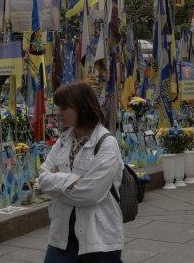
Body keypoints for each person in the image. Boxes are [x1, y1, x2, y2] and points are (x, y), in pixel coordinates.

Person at [39, 81, 124, 262]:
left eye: (65, 108)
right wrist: (72, 181)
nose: (59, 113)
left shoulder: (107, 144)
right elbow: (43, 179)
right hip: (61, 235)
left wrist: (57, 181)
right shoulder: (62, 141)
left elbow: (90, 193)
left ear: (82, 107)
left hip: (98, 238)